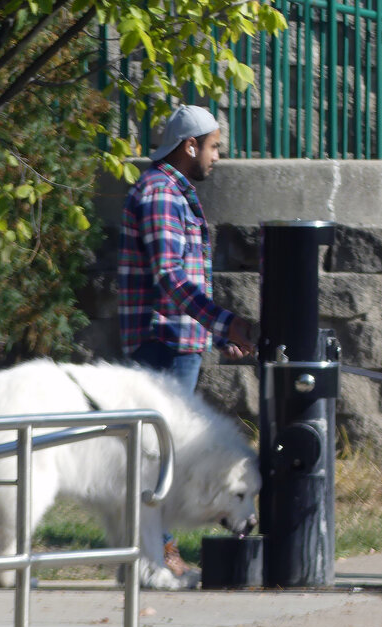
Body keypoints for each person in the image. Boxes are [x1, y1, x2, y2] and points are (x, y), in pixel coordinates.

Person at [118, 104, 256, 585]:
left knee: (162, 450)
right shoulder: (160, 192)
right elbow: (170, 277)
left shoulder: (174, 191)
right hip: (162, 341)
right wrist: (223, 323)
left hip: (178, 338)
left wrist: (217, 333)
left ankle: (152, 553)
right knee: (161, 452)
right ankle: (157, 554)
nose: (218, 157)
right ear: (190, 145)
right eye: (214, 146)